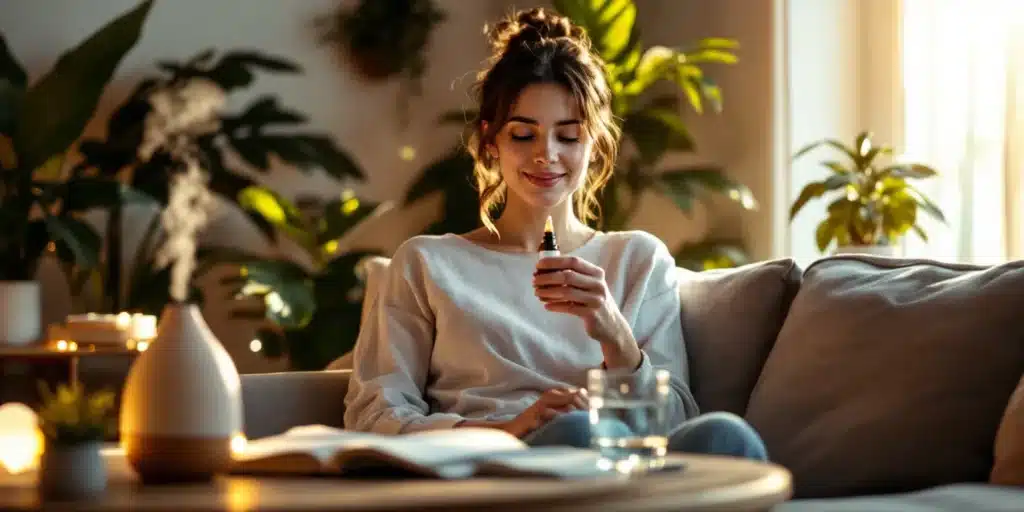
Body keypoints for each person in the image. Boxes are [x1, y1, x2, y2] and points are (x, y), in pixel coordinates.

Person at [343, 7, 767, 461]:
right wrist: (508, 428)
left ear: (594, 144)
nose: (546, 155)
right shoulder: (427, 263)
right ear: (491, 142)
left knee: (727, 436)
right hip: (499, 468)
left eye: (568, 136)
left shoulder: (638, 259)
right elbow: (374, 415)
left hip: (620, 469)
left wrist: (614, 334)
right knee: (576, 432)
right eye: (524, 135)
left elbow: (677, 426)